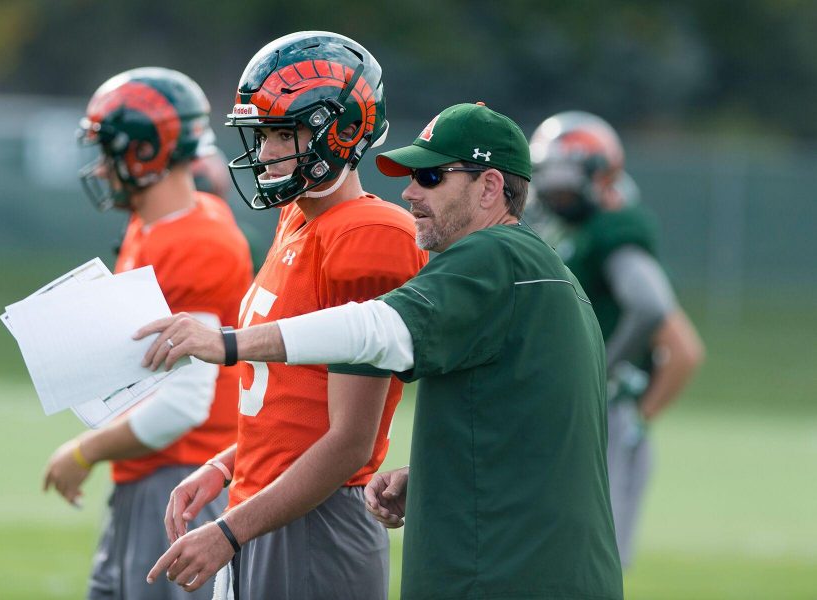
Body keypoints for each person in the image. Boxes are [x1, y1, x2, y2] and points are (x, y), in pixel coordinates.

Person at [141, 102, 624, 600]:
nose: (410, 192)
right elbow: (530, 432)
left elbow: (372, 330)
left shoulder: (492, 255)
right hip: (541, 564)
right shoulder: (537, 267)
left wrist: (226, 344)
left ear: (490, 187)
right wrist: (433, 476)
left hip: (509, 573)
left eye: (432, 176)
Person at [147, 32, 427, 599]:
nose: (268, 151)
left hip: (318, 520)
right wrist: (229, 466)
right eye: (263, 134)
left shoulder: (367, 235)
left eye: (282, 133)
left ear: (342, 129)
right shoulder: (299, 219)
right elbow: (292, 403)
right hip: (269, 502)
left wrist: (228, 531)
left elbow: (350, 441)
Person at [42, 67, 253, 600]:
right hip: (150, 475)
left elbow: (183, 405)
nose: (100, 167)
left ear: (143, 152)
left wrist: (84, 451)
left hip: (183, 478)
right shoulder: (153, 223)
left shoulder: (195, 241)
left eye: (109, 150)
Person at [528, 110, 705, 566]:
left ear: (602, 176)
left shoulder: (613, 231)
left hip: (599, 411)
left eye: (567, 182)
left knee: (588, 560)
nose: (554, 192)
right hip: (566, 410)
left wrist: (601, 378)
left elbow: (658, 317)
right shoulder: (572, 232)